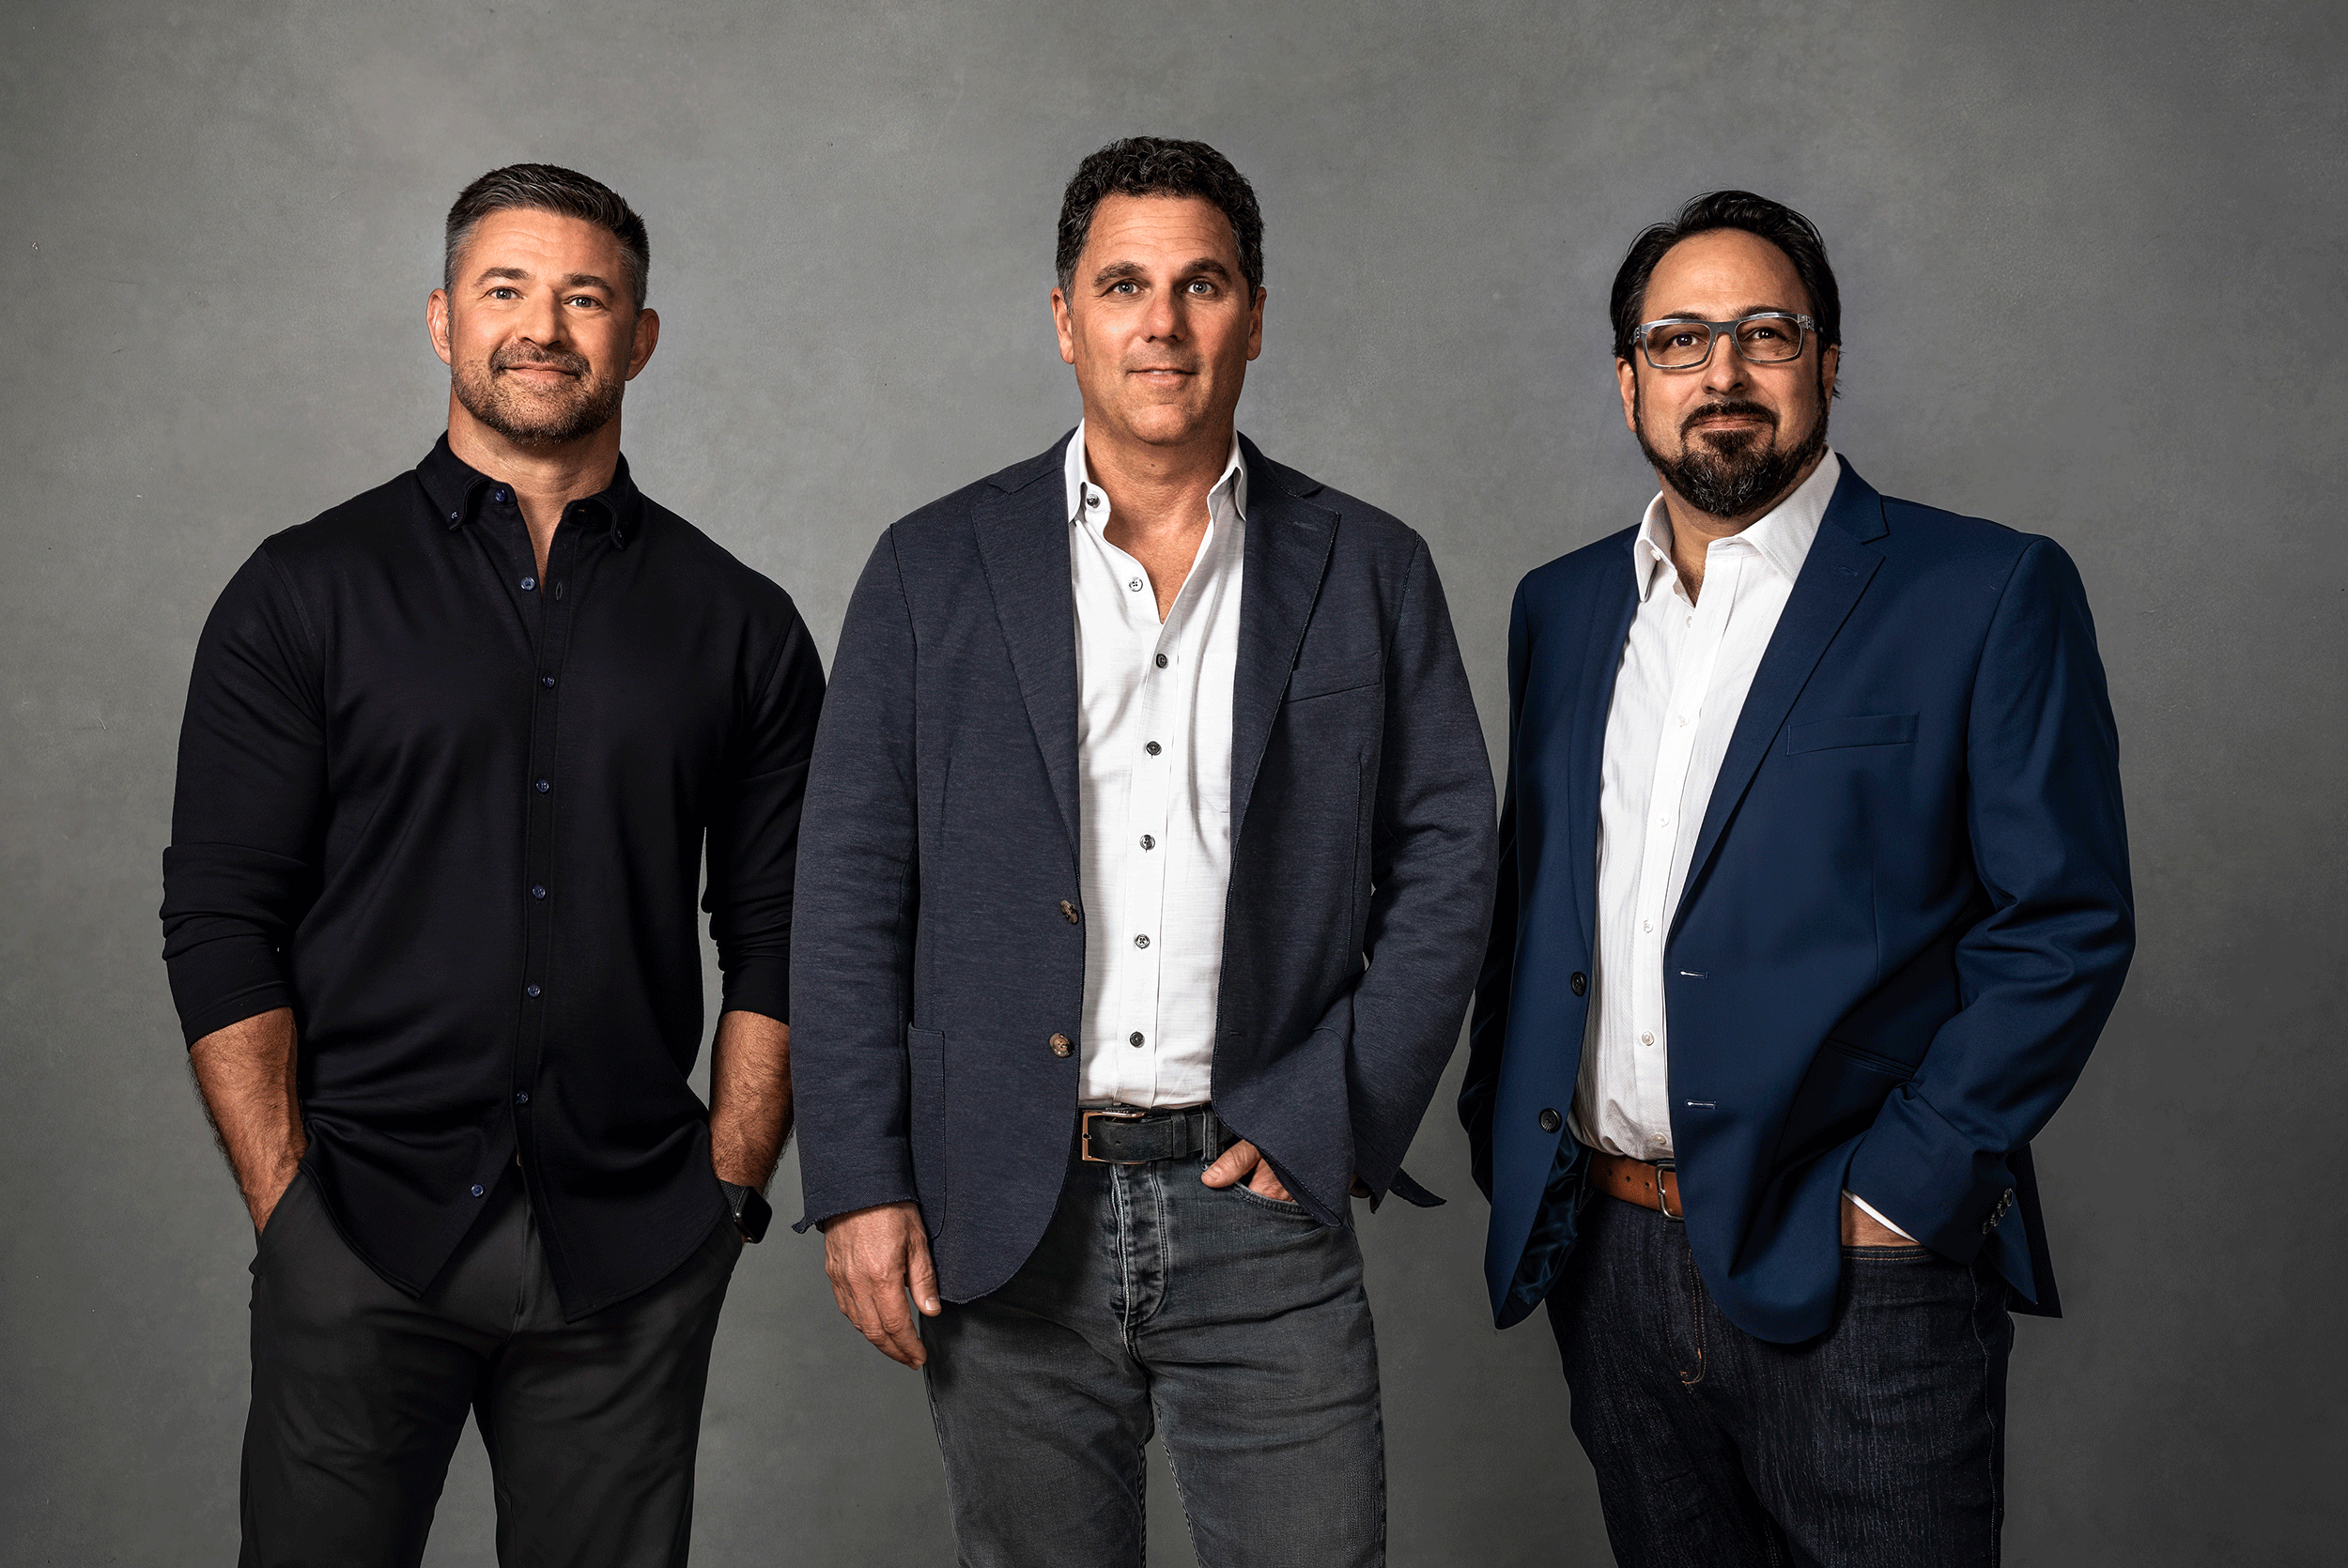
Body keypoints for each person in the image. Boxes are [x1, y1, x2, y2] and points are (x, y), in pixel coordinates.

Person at [790, 136, 1495, 1568]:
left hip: (1265, 1209)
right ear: (1066, 318)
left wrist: (1337, 1104)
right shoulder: (931, 567)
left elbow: (1448, 857)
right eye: (1123, 284)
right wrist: (861, 1178)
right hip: (1004, 1209)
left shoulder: (1370, 566)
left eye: (1201, 285)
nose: (1161, 323)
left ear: (1254, 312)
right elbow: (849, 890)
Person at [159, 163, 824, 1567]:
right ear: (442, 318)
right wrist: (287, 1203)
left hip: (635, 1248)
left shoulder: (743, 624)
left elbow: (783, 928)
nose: (543, 325)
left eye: (586, 296)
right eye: (505, 289)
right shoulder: (303, 590)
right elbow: (223, 915)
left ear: (639, 337)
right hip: (356, 1222)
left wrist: (733, 1180)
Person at [1460, 191, 2134, 1566]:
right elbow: (1537, 898)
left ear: (1829, 361)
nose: (1723, 373)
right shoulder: (1565, 605)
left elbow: (2063, 921)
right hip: (1614, 1257)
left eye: (1767, 333)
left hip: (1855, 1269)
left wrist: (1902, 1192)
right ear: (1626, 378)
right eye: (1680, 340)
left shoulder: (1986, 589)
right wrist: (1510, 1131)